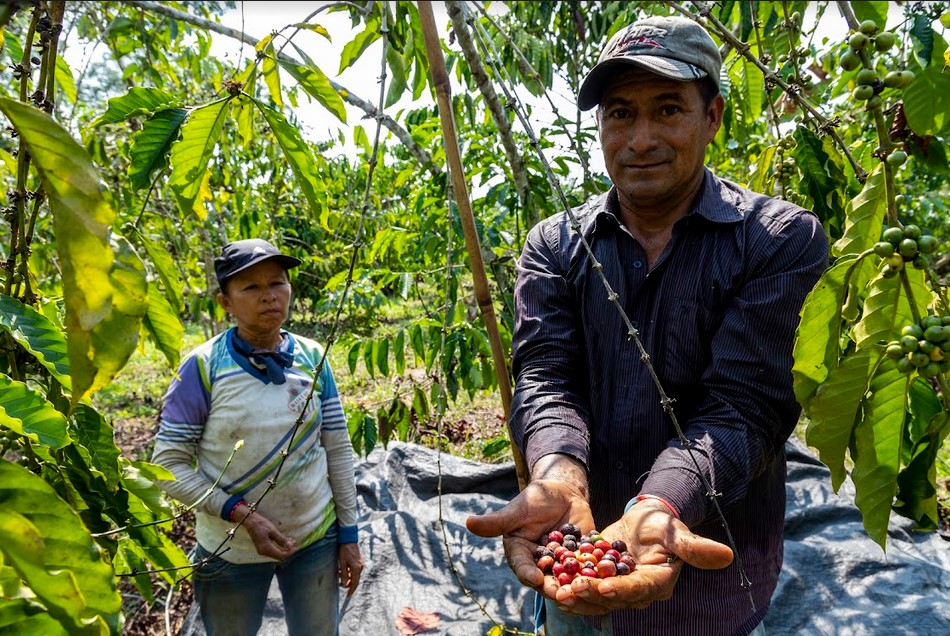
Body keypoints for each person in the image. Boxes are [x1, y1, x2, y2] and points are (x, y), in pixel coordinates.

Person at [466, 14, 829, 636]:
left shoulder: (776, 239)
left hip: (713, 586)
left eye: (667, 110)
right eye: (619, 114)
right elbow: (547, 375)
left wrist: (661, 502)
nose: (640, 139)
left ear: (712, 117)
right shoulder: (555, 244)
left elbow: (746, 405)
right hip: (578, 559)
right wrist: (557, 472)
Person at [151, 238, 363, 636]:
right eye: (251, 287)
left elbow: (336, 448)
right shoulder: (203, 368)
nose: (269, 296)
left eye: (277, 283)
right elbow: (167, 465)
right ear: (224, 302)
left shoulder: (313, 357)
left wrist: (348, 535)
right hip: (230, 548)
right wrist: (241, 515)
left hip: (314, 538)